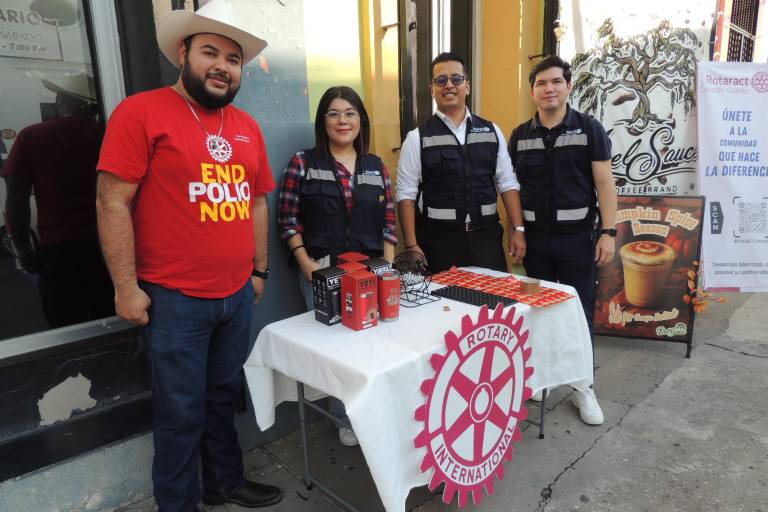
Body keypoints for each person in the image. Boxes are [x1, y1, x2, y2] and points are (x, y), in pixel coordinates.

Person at [95, 2, 281, 511]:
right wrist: (125, 287)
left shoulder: (246, 125)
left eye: (233, 58)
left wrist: (258, 270)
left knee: (223, 398)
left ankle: (225, 483)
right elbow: (112, 200)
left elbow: (257, 199)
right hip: (174, 299)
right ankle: (179, 504)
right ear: (184, 54)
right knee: (179, 414)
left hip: (236, 295)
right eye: (210, 52)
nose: (222, 65)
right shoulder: (141, 111)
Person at [277, 85, 397, 447]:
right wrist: (305, 264)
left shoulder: (376, 166)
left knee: (375, 343)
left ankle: (373, 411)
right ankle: (345, 419)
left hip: (370, 272)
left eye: (350, 113)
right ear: (323, 121)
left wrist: (387, 268)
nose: (342, 120)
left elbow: (390, 222)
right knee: (336, 350)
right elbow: (288, 220)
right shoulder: (304, 163)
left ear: (361, 121)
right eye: (334, 113)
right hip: (323, 273)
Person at [508, 55, 617, 426]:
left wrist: (608, 232)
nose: (548, 89)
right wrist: (517, 230)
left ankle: (583, 387)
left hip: (576, 242)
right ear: (533, 91)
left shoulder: (589, 128)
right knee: (535, 313)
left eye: (556, 82)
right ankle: (540, 381)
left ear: (568, 87)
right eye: (541, 83)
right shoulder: (521, 136)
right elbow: (512, 189)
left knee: (578, 313)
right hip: (535, 244)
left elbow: (605, 184)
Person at [397, 52, 525, 273]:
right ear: (432, 89)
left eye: (456, 79)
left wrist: (519, 229)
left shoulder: (492, 131)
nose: (449, 85)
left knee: (493, 303)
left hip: (486, 239)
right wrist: (411, 245)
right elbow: (406, 195)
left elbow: (507, 183)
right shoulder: (417, 137)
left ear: (467, 86)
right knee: (444, 305)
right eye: (441, 80)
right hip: (439, 243)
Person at [3, 74, 115, 328]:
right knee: (111, 324)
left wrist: (23, 249)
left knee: (66, 330)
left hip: (59, 253)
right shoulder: (107, 134)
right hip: (109, 248)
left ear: (62, 99)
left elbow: (15, 199)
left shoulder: (32, 136)